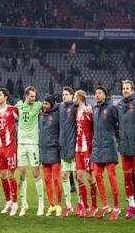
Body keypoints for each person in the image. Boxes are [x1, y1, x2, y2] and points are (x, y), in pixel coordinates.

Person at [117, 80, 135, 220]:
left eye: (127, 88)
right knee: (127, 177)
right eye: (123, 88)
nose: (125, 90)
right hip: (124, 147)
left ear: (132, 89)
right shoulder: (119, 105)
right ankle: (131, 206)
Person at [91, 85, 121, 221]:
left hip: (109, 147)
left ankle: (116, 207)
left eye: (99, 93)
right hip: (97, 148)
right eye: (96, 93)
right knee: (97, 175)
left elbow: (119, 125)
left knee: (111, 177)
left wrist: (116, 139)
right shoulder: (94, 109)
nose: (97, 95)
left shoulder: (112, 108)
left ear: (105, 95)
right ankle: (105, 205)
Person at [16, 86, 44, 216]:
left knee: (36, 173)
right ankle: (24, 204)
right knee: (22, 174)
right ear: (26, 95)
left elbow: (51, 106)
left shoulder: (38, 105)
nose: (34, 98)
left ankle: (41, 204)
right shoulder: (19, 105)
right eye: (32, 96)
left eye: (35, 96)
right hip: (21, 144)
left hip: (33, 144)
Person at [0, 88, 18, 215]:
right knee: (3, 176)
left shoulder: (13, 109)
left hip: (10, 146)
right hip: (0, 147)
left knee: (11, 176)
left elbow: (23, 120)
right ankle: (8, 201)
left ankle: (15, 203)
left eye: (0, 95)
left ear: (6, 97)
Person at [74, 89, 97, 218]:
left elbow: (95, 126)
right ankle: (85, 206)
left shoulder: (88, 111)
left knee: (90, 178)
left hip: (87, 149)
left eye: (75, 97)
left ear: (80, 98)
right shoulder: (75, 111)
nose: (73, 99)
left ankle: (94, 206)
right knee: (79, 177)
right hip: (78, 149)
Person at [39, 96, 62, 216]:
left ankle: (59, 205)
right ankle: (52, 205)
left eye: (47, 104)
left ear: (52, 105)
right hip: (44, 152)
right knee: (47, 180)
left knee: (56, 179)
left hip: (54, 151)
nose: (44, 105)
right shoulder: (41, 115)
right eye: (44, 103)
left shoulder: (58, 114)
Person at [59, 86, 77, 217]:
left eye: (66, 94)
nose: (64, 96)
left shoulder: (75, 107)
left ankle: (81, 204)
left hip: (74, 146)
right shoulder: (60, 107)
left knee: (77, 177)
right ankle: (68, 205)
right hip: (63, 147)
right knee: (65, 176)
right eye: (63, 94)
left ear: (71, 95)